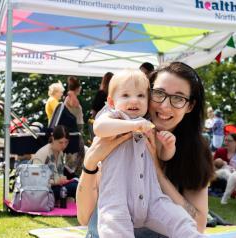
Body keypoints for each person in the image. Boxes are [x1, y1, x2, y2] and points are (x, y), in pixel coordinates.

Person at [77, 62, 214, 237]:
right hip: (113, 214)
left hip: (154, 206)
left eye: (178, 98)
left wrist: (158, 170)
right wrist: (90, 163)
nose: (165, 105)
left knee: (179, 220)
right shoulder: (116, 122)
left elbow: (199, 225)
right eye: (159, 93)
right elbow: (83, 217)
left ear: (190, 106)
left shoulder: (192, 150)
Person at [33, 125, 78, 202]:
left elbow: (59, 174)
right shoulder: (43, 153)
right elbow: (35, 179)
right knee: (75, 186)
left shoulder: (59, 152)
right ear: (53, 139)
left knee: (78, 184)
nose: (64, 145)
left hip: (55, 188)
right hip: (42, 192)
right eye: (60, 142)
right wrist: (55, 182)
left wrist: (62, 180)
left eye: (66, 142)